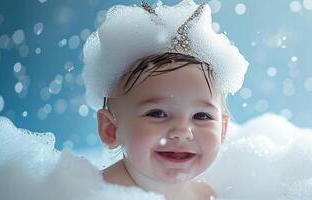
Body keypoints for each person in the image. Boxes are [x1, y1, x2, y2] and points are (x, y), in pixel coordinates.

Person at [82, 0, 248, 199]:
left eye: (201, 115)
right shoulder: (96, 192)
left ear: (222, 130)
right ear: (111, 129)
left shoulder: (206, 194)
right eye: (157, 113)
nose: (182, 132)